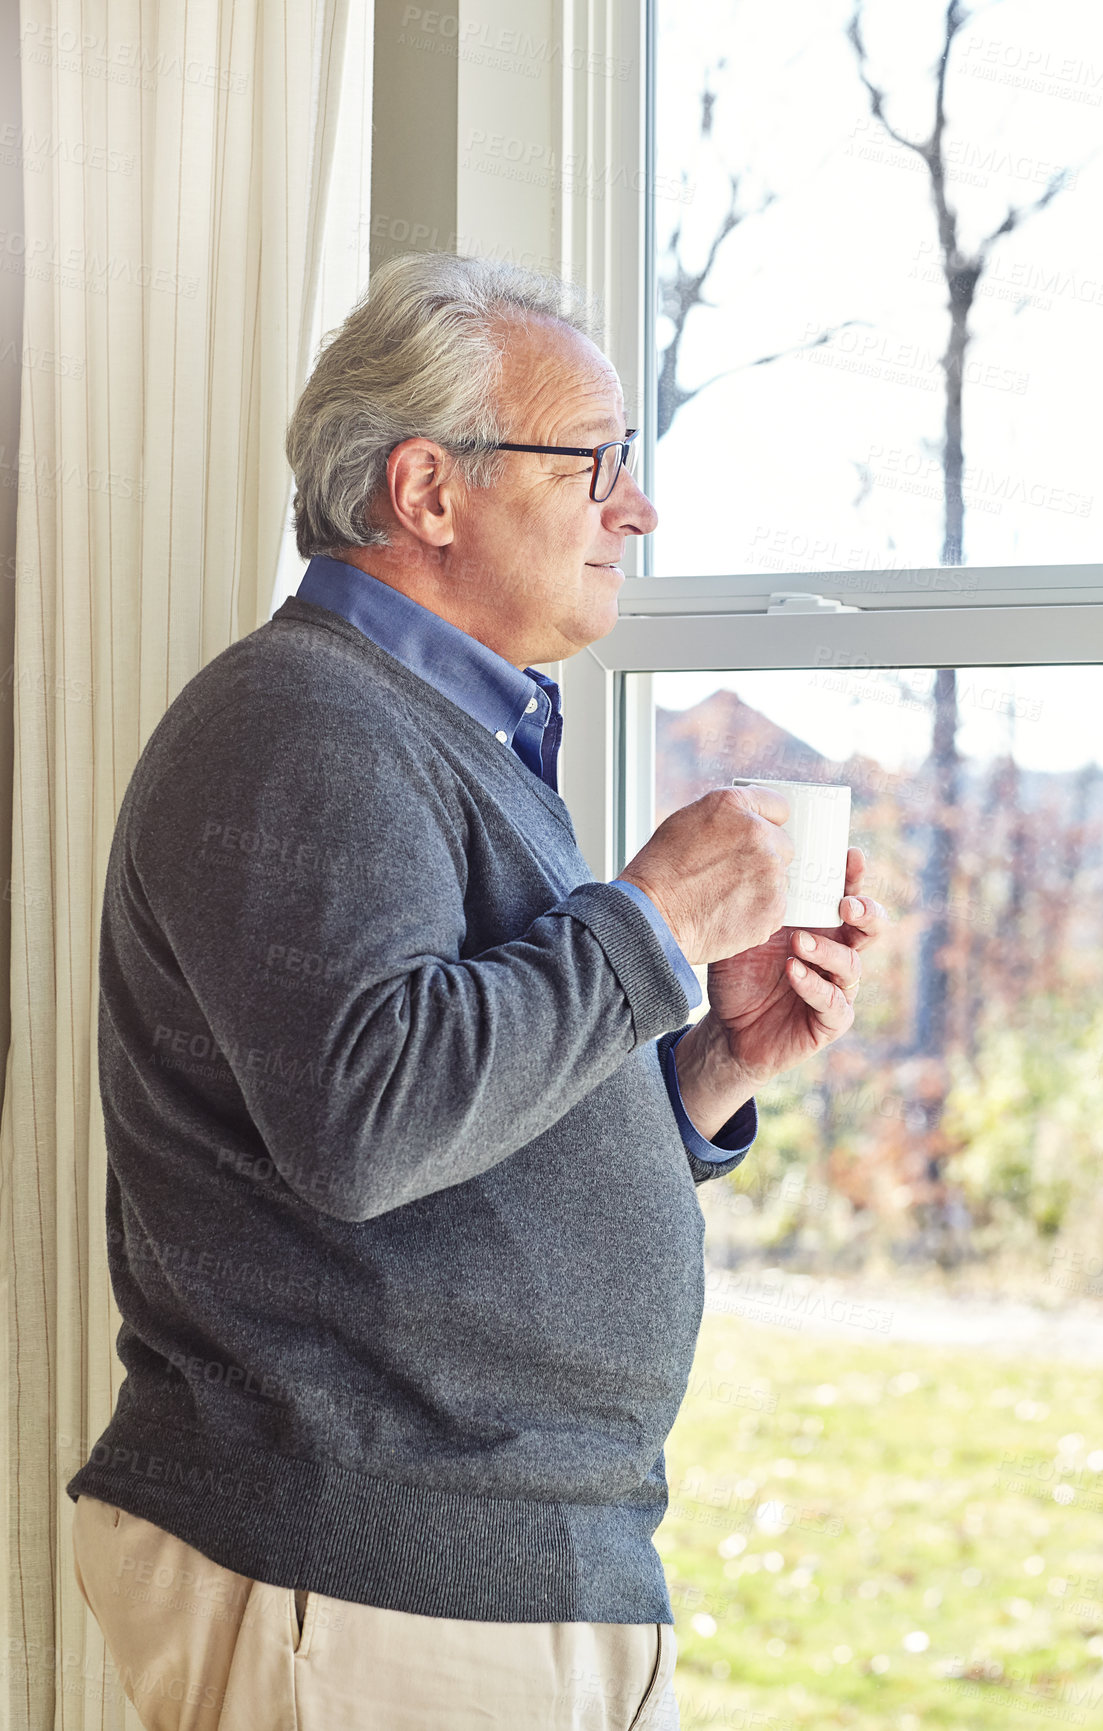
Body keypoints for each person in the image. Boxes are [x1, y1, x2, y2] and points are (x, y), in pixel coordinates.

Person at [67, 252, 885, 1730]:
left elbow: (455, 1116)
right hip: (361, 1575)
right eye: (594, 465)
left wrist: (700, 1068)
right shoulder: (304, 722)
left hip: (467, 1573)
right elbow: (365, 1121)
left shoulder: (429, 733)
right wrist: (652, 919)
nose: (632, 508)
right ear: (428, 492)